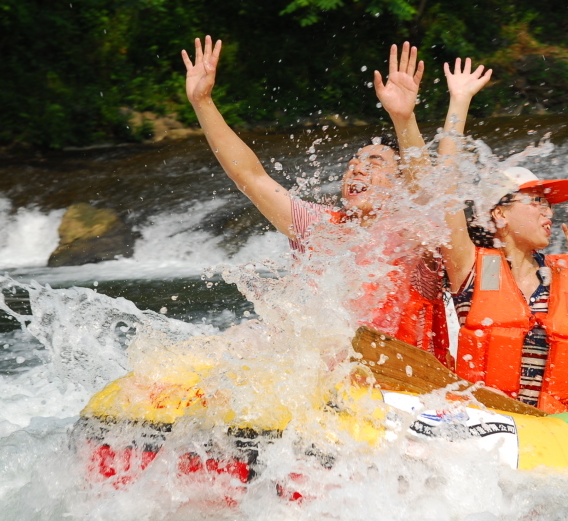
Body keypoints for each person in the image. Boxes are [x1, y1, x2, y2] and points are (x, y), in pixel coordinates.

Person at [181, 36, 449, 362]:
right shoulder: (321, 227)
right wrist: (203, 102)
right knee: (237, 341)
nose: (357, 170)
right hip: (330, 375)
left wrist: (404, 118)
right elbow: (251, 177)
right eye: (353, 165)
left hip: (405, 379)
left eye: (373, 164)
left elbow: (426, 193)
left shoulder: (413, 232)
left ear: (399, 184)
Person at [436, 59, 568, 413]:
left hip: (562, 429)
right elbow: (442, 192)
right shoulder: (470, 268)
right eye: (536, 201)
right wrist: (459, 102)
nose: (547, 212)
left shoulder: (566, 275)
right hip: (496, 426)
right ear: (500, 213)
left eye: (548, 204)